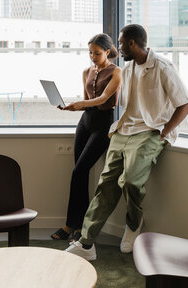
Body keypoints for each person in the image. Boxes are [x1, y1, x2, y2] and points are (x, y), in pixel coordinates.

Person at [65, 24, 188, 260]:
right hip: (124, 130)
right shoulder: (128, 69)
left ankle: (133, 224)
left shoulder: (163, 67)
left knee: (132, 181)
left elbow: (185, 104)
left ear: (132, 44)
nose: (117, 48)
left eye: (121, 43)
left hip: (151, 131)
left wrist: (164, 132)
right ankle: (86, 244)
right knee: (106, 185)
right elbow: (117, 102)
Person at [50, 33, 122, 241]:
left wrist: (80, 105)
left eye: (97, 53)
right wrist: (73, 107)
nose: (92, 57)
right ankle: (76, 225)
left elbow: (103, 98)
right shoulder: (86, 71)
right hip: (85, 122)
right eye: (90, 52)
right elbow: (86, 100)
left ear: (107, 52)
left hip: (103, 124)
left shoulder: (117, 72)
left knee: (80, 170)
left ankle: (75, 226)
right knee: (78, 174)